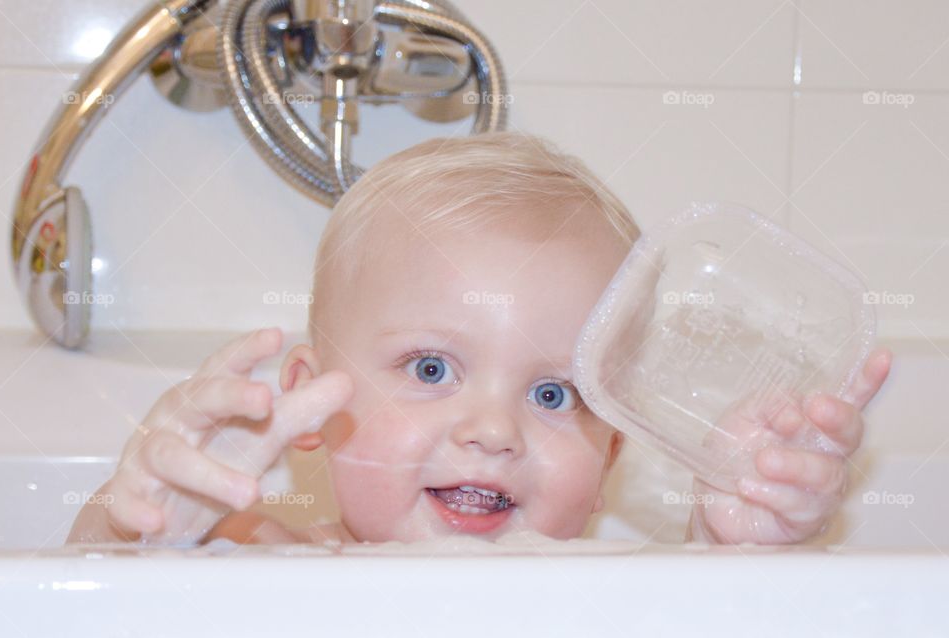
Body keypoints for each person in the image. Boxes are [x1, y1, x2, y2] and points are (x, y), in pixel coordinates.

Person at [67, 132, 891, 546]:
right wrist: (137, 533)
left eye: (553, 394)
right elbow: (66, 609)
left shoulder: (611, 598)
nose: (494, 432)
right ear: (312, 404)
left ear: (611, 452)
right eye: (432, 367)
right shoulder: (274, 564)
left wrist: (735, 553)